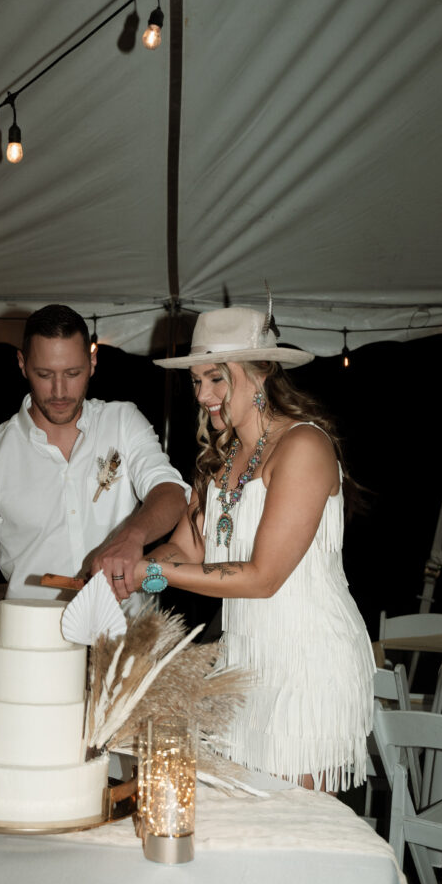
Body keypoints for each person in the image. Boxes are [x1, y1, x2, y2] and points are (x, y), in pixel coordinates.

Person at [130, 306, 376, 792]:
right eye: (197, 380)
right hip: (243, 661)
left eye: (216, 379)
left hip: (308, 663)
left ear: (261, 373)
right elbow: (184, 550)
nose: (202, 395)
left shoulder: (304, 446)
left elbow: (263, 578)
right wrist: (137, 571)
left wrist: (147, 572)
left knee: (290, 830)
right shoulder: (218, 459)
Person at [0, 304, 188, 682]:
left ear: (92, 363)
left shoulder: (122, 421)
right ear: (22, 364)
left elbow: (171, 491)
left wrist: (131, 537)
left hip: (128, 645)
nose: (59, 391)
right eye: (44, 374)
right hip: (34, 649)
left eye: (73, 373)